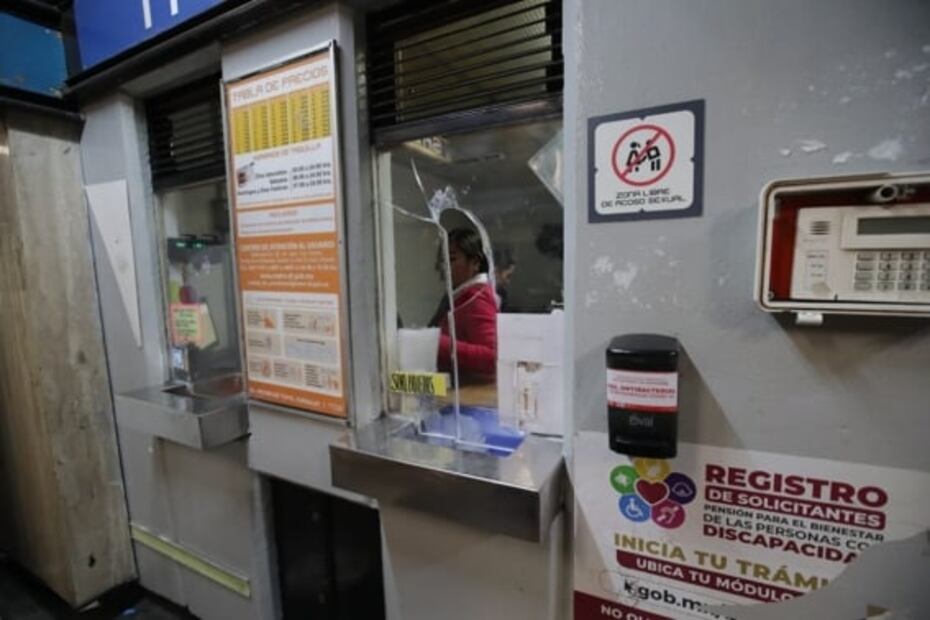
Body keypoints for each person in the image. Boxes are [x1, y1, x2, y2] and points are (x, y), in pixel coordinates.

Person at [429, 227, 498, 382]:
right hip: (451, 386)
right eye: (441, 260)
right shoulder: (457, 296)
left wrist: (437, 343)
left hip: (470, 391)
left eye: (451, 259)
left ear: (475, 262)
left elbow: (492, 357)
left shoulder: (477, 298)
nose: (442, 267)